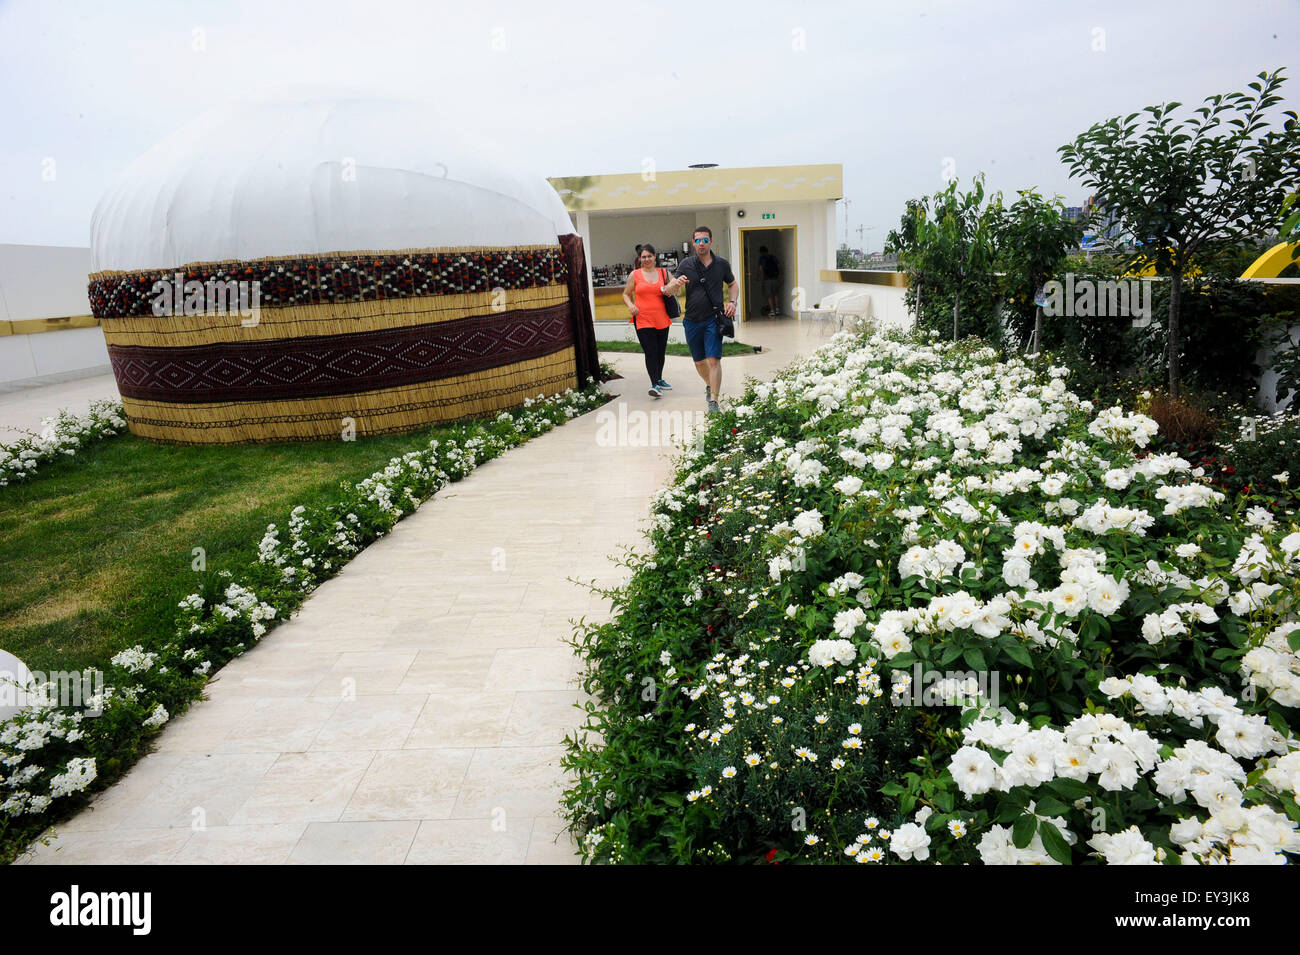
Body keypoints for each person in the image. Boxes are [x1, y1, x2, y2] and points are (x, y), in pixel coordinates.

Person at [664, 226, 737, 414]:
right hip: (692, 320)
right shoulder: (686, 264)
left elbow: (732, 284)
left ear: (710, 241)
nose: (701, 243)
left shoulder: (722, 264)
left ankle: (713, 401)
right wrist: (675, 284)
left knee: (714, 360)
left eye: (705, 240)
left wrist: (733, 302)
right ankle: (709, 385)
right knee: (699, 362)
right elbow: (669, 290)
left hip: (713, 319)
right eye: (697, 240)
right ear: (693, 243)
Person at [622, 244, 673, 397]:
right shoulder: (635, 274)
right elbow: (625, 294)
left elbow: (676, 290)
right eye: (643, 257)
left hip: (662, 318)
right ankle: (654, 385)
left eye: (649, 256)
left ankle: (659, 378)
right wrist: (631, 305)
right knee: (650, 352)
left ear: (654, 256)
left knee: (660, 352)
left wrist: (675, 286)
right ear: (640, 259)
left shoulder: (664, 273)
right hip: (643, 319)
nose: (646, 259)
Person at [758, 245, 781, 316]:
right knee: (776, 294)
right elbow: (779, 266)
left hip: (767, 279)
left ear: (761, 252)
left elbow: (760, 269)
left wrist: (758, 277)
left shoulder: (762, 258)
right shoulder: (773, 257)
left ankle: (772, 311)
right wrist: (781, 276)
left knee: (769, 295)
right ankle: (777, 309)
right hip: (775, 278)